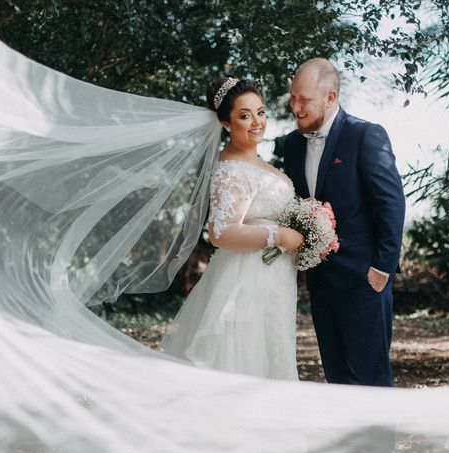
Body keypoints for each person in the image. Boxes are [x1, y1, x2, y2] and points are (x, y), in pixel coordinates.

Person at [160, 76, 305, 380]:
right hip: (247, 280)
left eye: (261, 112)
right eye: (244, 115)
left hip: (273, 278)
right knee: (245, 359)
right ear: (226, 123)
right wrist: (279, 234)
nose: (257, 122)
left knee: (273, 355)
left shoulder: (259, 163)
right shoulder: (231, 170)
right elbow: (221, 233)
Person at [282, 58, 406, 387]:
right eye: (293, 97)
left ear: (331, 97)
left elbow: (391, 203)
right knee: (337, 382)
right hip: (321, 285)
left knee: (372, 381)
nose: (295, 106)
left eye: (304, 99)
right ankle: (349, 442)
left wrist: (382, 269)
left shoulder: (365, 135)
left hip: (365, 282)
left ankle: (379, 442)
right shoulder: (292, 145)